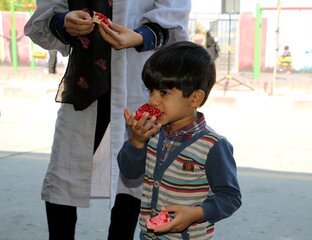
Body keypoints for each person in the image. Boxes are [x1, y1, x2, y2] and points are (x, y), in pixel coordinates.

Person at [24, 1, 191, 240]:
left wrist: (140, 36)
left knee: (132, 182)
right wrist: (64, 22)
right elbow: (47, 16)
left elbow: (174, 14)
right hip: (84, 85)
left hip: (136, 82)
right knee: (63, 178)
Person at [118, 41, 242, 239]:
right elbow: (129, 172)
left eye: (164, 93)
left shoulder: (213, 146)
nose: (153, 101)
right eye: (151, 91)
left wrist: (196, 213)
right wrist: (137, 142)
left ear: (194, 98)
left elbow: (230, 197)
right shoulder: (151, 133)